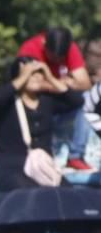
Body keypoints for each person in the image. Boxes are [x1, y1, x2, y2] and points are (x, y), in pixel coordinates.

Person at [0, 58, 82, 191]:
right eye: (30, 73)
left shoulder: (47, 100)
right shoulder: (7, 103)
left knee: (68, 195)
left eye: (39, 73)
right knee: (30, 194)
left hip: (42, 169)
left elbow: (77, 101)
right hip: (12, 169)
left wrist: (50, 77)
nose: (35, 77)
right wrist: (24, 76)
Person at [17, 27, 93, 172]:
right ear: (44, 43)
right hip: (37, 103)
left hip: (60, 103)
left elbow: (85, 83)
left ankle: (76, 156)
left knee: (88, 99)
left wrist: (49, 82)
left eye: (60, 58)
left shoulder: (71, 48)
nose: (57, 61)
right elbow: (27, 84)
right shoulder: (30, 48)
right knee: (39, 97)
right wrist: (62, 83)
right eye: (52, 56)